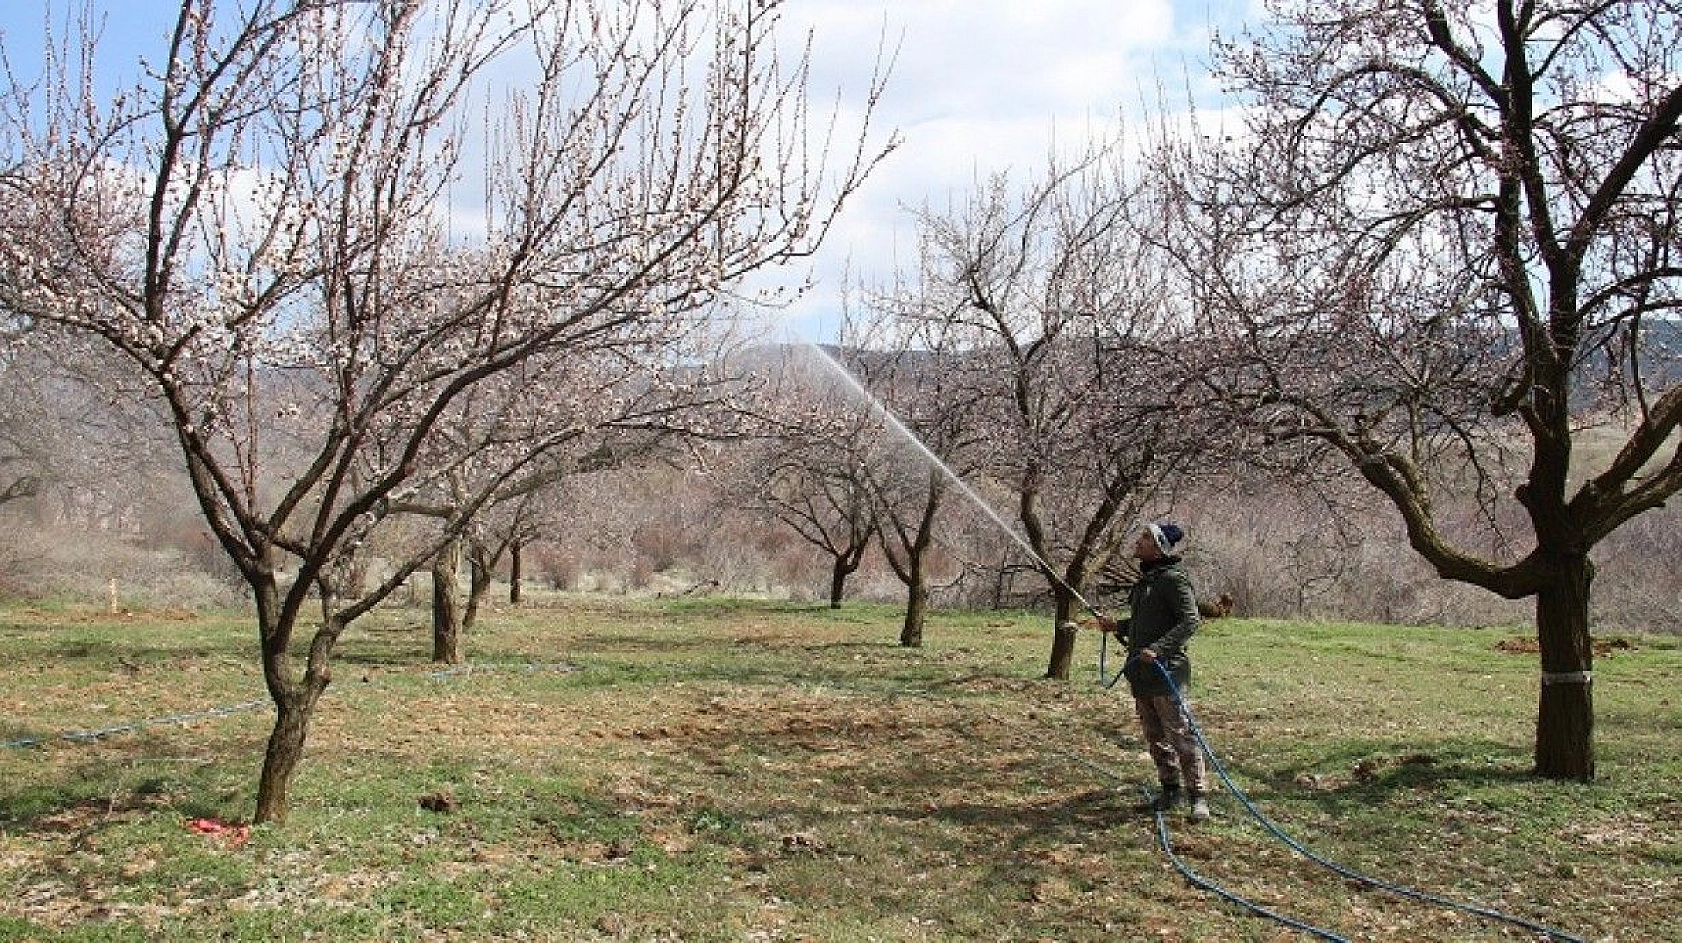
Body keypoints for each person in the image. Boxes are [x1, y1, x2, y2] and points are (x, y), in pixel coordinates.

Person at [1095, 522, 1209, 821]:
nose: (1138, 541)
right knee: (1154, 736)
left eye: (1145, 538)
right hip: (1142, 676)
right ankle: (1170, 790)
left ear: (1158, 547)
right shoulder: (1145, 582)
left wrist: (1158, 649)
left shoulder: (1174, 580)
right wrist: (1117, 626)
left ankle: (1198, 796)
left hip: (1167, 672)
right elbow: (1143, 625)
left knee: (1181, 735)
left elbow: (1190, 621)